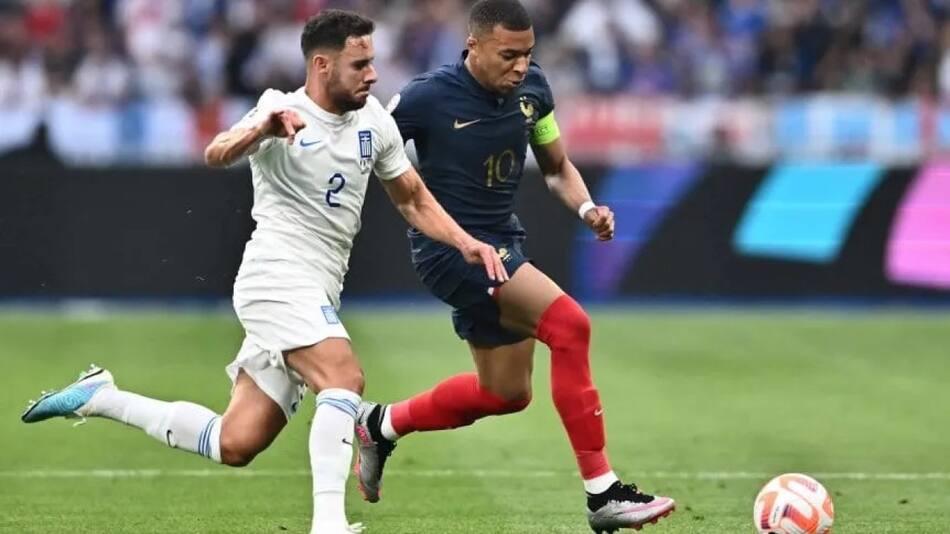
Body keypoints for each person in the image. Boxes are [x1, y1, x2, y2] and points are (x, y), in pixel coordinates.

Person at [20, 10, 506, 534]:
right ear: (322, 65)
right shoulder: (281, 108)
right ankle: (329, 524)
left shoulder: (374, 122)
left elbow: (411, 198)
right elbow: (215, 152)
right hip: (275, 275)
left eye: (373, 63)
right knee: (344, 377)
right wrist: (260, 129)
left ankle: (102, 397)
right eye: (360, 64)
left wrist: (466, 242)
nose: (372, 75)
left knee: (236, 442)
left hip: (318, 287)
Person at [353, 1, 675, 532]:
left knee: (505, 393)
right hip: (450, 251)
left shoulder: (534, 91)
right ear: (472, 46)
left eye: (528, 54)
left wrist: (587, 206)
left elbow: (556, 166)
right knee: (570, 326)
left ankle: (380, 424)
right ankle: (603, 493)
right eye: (508, 55)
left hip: (504, 245)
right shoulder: (425, 97)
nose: (520, 66)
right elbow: (362, 146)